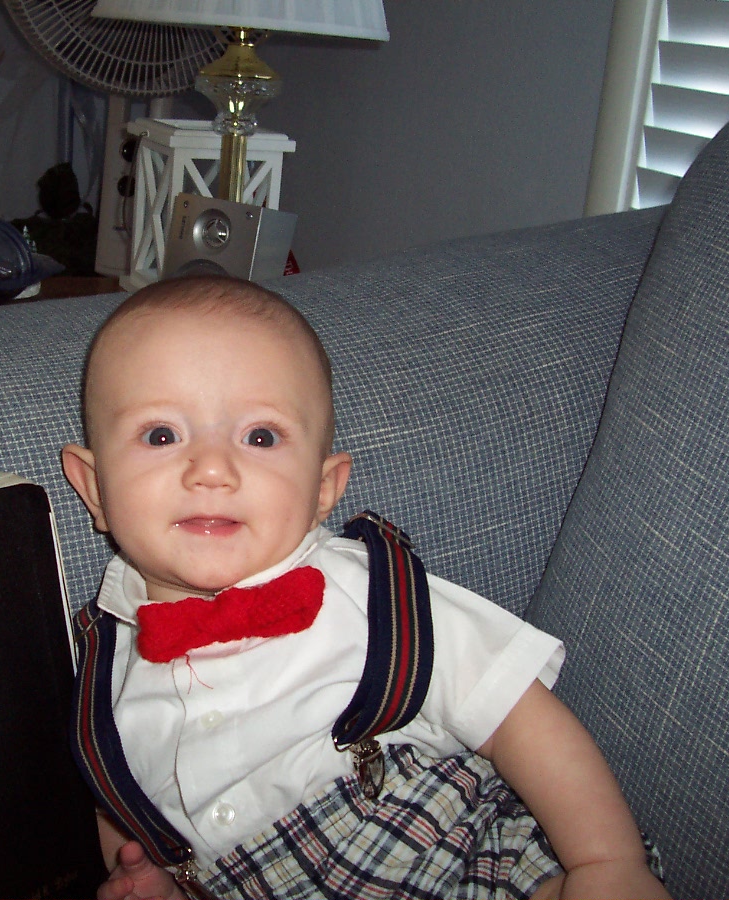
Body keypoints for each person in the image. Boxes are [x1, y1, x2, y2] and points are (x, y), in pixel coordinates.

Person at [60, 275, 670, 900]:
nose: (212, 469)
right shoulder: (98, 675)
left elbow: (516, 716)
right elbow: (120, 805)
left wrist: (605, 860)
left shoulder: (374, 594)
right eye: (161, 435)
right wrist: (153, 879)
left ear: (323, 488)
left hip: (452, 854)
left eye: (260, 437)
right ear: (93, 488)